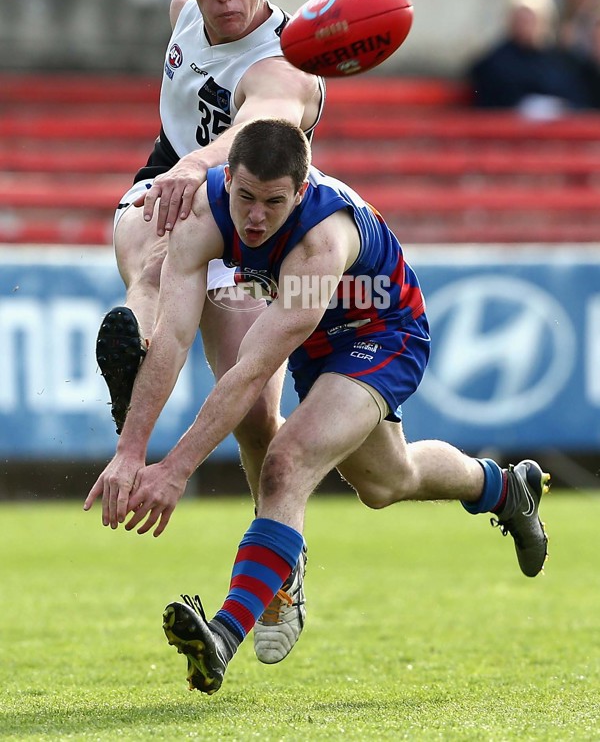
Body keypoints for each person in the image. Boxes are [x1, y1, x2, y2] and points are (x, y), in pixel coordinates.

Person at [84, 118, 551, 696]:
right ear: (227, 178)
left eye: (273, 203)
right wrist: (130, 453)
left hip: (381, 329)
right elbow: (173, 337)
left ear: (300, 193)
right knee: (386, 480)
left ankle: (224, 635)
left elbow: (251, 371)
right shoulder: (203, 215)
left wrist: (175, 470)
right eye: (245, 197)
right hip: (315, 329)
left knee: (288, 462)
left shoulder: (320, 242)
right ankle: (505, 490)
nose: (254, 218)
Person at [95, 0, 325, 665]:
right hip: (173, 188)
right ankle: (135, 351)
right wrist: (180, 172)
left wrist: (197, 166)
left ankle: (281, 568)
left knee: (260, 416)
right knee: (144, 235)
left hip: (253, 218)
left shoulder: (282, 64)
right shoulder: (186, 12)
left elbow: (261, 118)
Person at [468, 0, 599, 115]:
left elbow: (582, 101)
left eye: (530, 19)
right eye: (520, 19)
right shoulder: (495, 63)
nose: (525, 25)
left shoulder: (564, 61)